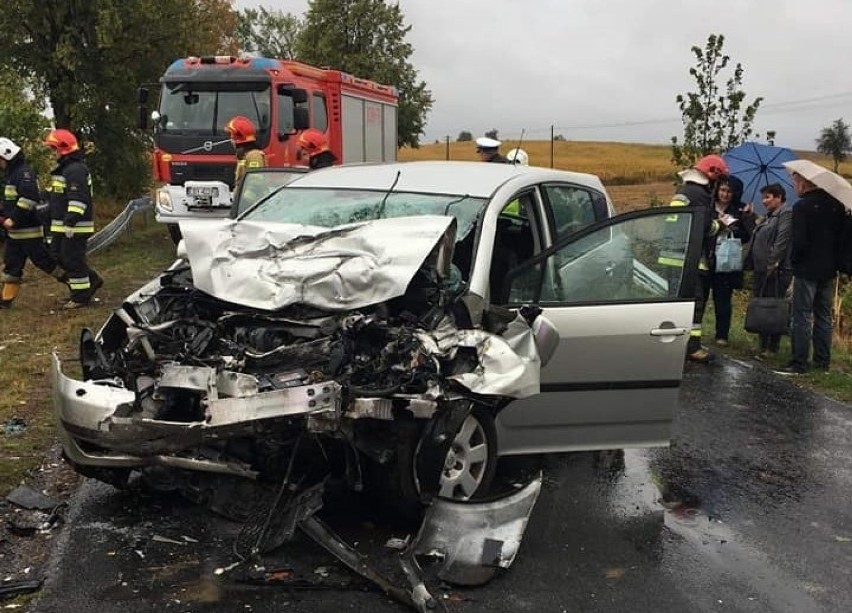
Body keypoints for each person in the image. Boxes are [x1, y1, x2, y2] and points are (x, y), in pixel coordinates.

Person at [776, 172, 845, 374]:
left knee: (802, 315)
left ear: (804, 183)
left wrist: (794, 262)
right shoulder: (837, 206)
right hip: (829, 268)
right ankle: (822, 361)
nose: (794, 186)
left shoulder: (801, 207)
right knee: (824, 316)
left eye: (795, 182)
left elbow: (800, 241)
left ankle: (799, 361)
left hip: (806, 268)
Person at [667, 154, 729, 362]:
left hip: (671, 256)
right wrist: (719, 225)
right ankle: (692, 347)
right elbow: (703, 227)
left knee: (675, 304)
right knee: (695, 303)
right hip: (689, 259)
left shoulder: (683, 191)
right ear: (712, 175)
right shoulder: (701, 195)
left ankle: (673, 342)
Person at [0, 137, 64, 308]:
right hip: (15, 234)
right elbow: (11, 201)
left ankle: (76, 281)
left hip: (28, 232)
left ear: (7, 156)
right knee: (12, 264)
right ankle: (5, 301)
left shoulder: (23, 173)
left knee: (44, 261)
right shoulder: (13, 175)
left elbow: (29, 198)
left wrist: (13, 219)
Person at [44, 128, 102, 310]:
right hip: (62, 226)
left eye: (53, 149)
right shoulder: (66, 169)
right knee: (58, 257)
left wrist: (70, 221)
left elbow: (78, 199)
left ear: (63, 148)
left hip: (74, 227)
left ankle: (80, 297)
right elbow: (58, 198)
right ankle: (90, 281)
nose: (52, 153)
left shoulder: (75, 170)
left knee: (72, 261)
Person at [707, 175, 755, 346]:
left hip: (727, 261)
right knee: (702, 297)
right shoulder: (708, 206)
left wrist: (735, 227)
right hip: (707, 257)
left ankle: (722, 335)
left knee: (723, 299)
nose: (725, 194)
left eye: (729, 192)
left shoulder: (741, 210)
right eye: (722, 190)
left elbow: (749, 234)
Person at [748, 183, 793, 360]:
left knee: (773, 307)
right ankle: (763, 345)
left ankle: (771, 348)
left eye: (768, 197)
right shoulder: (769, 216)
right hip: (761, 269)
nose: (764, 201)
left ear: (779, 197)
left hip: (775, 270)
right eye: (763, 197)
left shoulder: (786, 214)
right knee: (762, 305)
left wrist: (772, 263)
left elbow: (782, 240)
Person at [225, 116, 267, 189]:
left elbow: (255, 183)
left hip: (253, 199)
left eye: (232, 136)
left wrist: (245, 199)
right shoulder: (244, 155)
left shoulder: (254, 156)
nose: (231, 139)